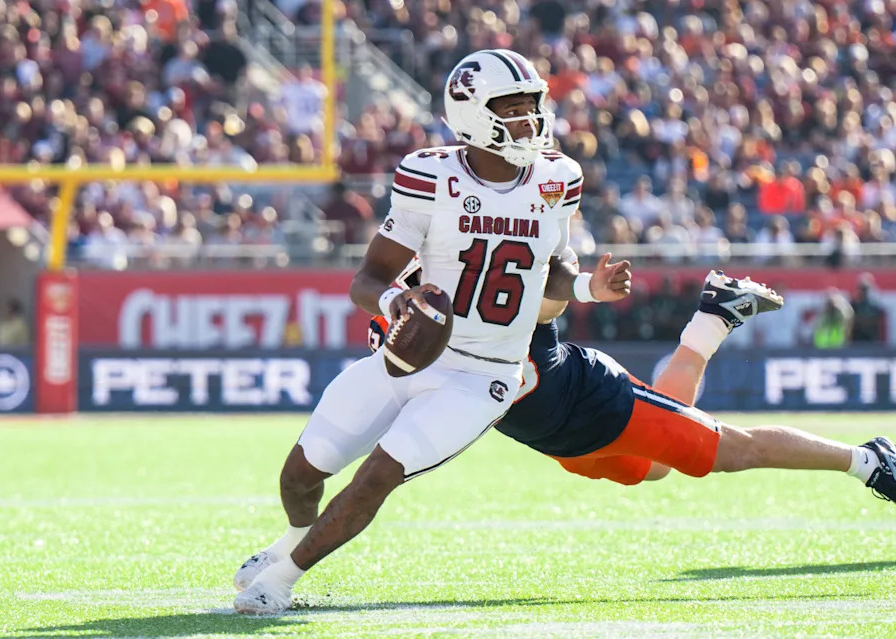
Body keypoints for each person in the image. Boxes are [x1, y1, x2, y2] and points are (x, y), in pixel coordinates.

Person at [231, 49, 632, 615]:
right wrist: (401, 301)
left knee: (377, 475)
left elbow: (552, 265)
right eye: (511, 108)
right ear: (471, 112)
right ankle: (291, 541)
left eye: (532, 106)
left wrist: (590, 287)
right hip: (411, 357)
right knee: (300, 475)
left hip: (485, 376)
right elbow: (367, 280)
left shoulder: (557, 178)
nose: (529, 121)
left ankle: (286, 580)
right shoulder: (430, 175)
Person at [371, 263, 896, 529]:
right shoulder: (422, 332)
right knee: (658, 471)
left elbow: (547, 298)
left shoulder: (500, 293)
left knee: (732, 452)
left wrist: (583, 286)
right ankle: (714, 316)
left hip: (598, 403)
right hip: (560, 441)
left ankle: (869, 462)